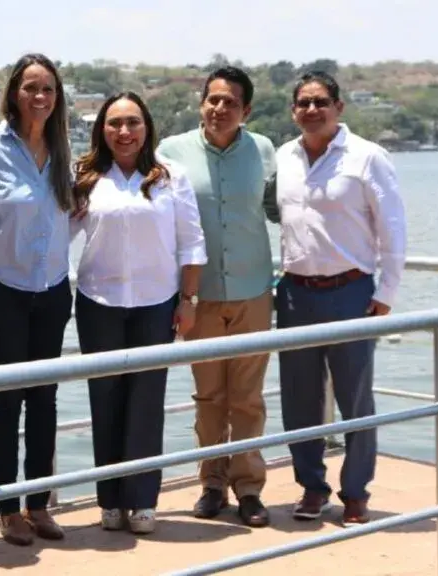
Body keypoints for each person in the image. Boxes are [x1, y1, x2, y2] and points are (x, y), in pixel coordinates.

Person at [273, 70, 406, 525]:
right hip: (294, 294)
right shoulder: (284, 156)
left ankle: (355, 493)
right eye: (304, 103)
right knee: (298, 399)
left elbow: (394, 230)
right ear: (294, 110)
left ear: (339, 107)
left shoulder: (368, 157)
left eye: (321, 102)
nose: (312, 110)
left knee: (355, 398)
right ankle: (312, 487)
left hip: (351, 291)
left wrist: (386, 293)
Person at [71, 92, 207, 535]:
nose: (124, 132)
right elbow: (56, 233)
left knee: (147, 404)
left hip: (156, 303)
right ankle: (110, 500)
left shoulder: (171, 176)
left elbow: (192, 243)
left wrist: (188, 301)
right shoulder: (86, 177)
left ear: (147, 126)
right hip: (98, 305)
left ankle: (143, 500)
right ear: (101, 130)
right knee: (105, 402)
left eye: (132, 122)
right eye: (114, 124)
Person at [155, 66, 278, 527]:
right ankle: (211, 483)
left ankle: (248, 488)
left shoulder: (264, 151)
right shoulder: (171, 153)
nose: (219, 109)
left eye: (230, 102)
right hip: (198, 295)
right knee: (208, 397)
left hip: (252, 291)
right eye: (213, 100)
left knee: (247, 399)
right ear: (201, 103)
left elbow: (279, 209)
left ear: (246, 110)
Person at [0, 53, 74, 546]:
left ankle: (39, 503)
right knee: (6, 400)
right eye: (31, 88)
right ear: (14, 92)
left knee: (45, 400)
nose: (40, 97)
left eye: (48, 89)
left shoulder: (63, 150)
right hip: (2, 289)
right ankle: (8, 509)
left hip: (53, 290)